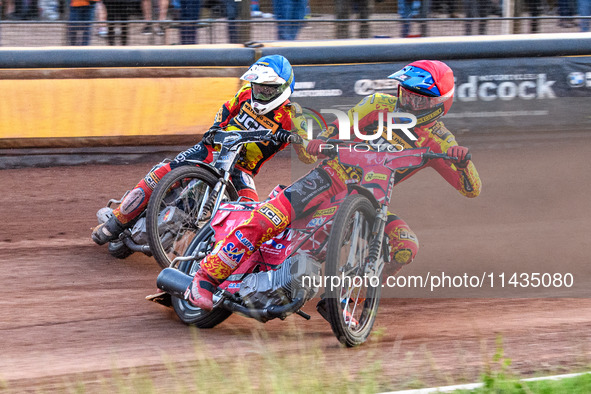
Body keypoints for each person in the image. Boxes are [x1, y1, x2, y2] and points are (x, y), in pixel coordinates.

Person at [186, 60, 482, 311]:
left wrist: (462, 162)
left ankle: (350, 294)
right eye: (407, 93)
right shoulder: (379, 104)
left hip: (373, 201)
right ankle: (205, 278)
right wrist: (324, 140)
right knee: (268, 218)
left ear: (440, 105)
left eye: (421, 99)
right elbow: (345, 124)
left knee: (406, 246)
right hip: (330, 177)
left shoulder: (441, 140)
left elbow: (472, 189)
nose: (411, 102)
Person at [92, 55, 310, 246]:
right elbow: (226, 109)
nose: (260, 91)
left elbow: (308, 155)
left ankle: (220, 264)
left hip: (241, 169)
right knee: (163, 173)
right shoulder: (245, 93)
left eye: (267, 88)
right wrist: (215, 128)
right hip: (211, 149)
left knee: (249, 214)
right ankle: (116, 222)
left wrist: (300, 139)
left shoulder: (293, 117)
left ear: (282, 89)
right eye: (257, 85)